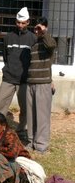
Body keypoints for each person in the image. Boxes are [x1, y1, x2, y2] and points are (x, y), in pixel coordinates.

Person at [0, 7, 36, 138]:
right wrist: (9, 69)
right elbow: (6, 57)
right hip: (9, 77)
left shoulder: (33, 38)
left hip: (24, 79)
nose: (20, 25)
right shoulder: (9, 37)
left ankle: (22, 130)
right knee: (0, 102)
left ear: (28, 22)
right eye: (18, 22)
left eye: (23, 23)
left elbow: (34, 59)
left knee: (25, 107)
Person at [26, 16, 56, 153]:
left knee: (42, 116)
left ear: (45, 27)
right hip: (31, 82)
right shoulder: (33, 43)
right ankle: (31, 141)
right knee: (31, 115)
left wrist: (44, 32)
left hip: (43, 83)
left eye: (39, 28)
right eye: (36, 28)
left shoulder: (48, 41)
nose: (37, 31)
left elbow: (51, 45)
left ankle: (41, 145)